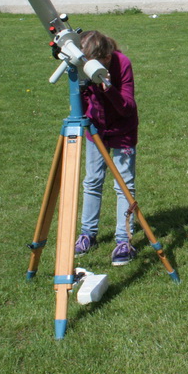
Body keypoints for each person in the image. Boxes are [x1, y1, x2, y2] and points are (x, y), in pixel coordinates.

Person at [74, 31, 139, 266]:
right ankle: (87, 234)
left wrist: (107, 87)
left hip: (123, 130)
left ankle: (123, 240)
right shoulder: (83, 69)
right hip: (96, 130)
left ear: (107, 57)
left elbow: (127, 107)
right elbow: (80, 103)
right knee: (92, 180)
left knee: (124, 184)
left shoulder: (122, 64)